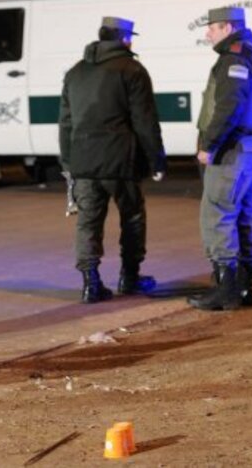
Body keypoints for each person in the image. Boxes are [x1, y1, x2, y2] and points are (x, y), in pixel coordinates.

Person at [59, 16, 166, 303]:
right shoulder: (132, 70)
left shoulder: (75, 73)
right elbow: (145, 120)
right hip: (122, 161)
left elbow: (66, 123)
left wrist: (68, 163)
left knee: (88, 222)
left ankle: (90, 283)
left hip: (83, 163)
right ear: (124, 39)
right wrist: (156, 159)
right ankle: (129, 278)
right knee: (131, 218)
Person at [186, 7, 252, 311]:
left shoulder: (234, 56)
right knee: (246, 215)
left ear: (227, 27)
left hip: (232, 148)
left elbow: (229, 104)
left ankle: (225, 290)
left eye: (211, 27)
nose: (207, 33)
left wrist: (209, 144)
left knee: (218, 213)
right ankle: (246, 288)